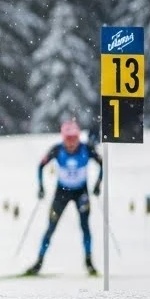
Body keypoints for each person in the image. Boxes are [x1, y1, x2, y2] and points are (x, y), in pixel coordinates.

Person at [24, 119, 104, 277]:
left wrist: (97, 185)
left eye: (74, 138)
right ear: (63, 138)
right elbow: (41, 165)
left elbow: (102, 163)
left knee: (85, 227)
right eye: (68, 139)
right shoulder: (57, 150)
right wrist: (41, 187)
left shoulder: (87, 149)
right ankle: (38, 262)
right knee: (50, 227)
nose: (71, 143)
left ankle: (89, 262)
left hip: (81, 192)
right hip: (62, 193)